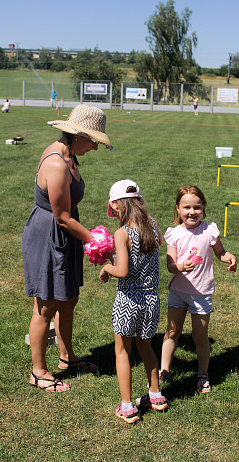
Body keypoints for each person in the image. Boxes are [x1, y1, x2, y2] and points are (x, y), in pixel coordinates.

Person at [22, 104, 112, 392]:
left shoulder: (70, 154)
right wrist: (94, 239)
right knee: (46, 304)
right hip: (51, 232)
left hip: (67, 231)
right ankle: (38, 371)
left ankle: (67, 357)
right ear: (77, 135)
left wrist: (83, 235)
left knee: (69, 297)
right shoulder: (57, 163)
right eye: (94, 141)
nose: (95, 148)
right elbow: (61, 217)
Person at [99, 179, 168, 424]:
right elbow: (154, 245)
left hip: (129, 300)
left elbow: (123, 271)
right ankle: (156, 394)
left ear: (117, 206)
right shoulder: (152, 225)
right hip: (151, 300)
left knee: (122, 352)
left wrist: (107, 266)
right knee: (146, 347)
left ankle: (127, 406)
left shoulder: (122, 233)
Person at [160, 185, 237, 394]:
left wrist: (228, 258)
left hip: (202, 294)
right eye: (187, 207)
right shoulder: (174, 234)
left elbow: (220, 252)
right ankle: (164, 370)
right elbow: (170, 265)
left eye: (197, 207)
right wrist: (180, 267)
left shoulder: (209, 230)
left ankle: (203, 374)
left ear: (203, 208)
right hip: (178, 291)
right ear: (178, 209)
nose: (192, 212)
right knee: (172, 332)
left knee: (200, 336)